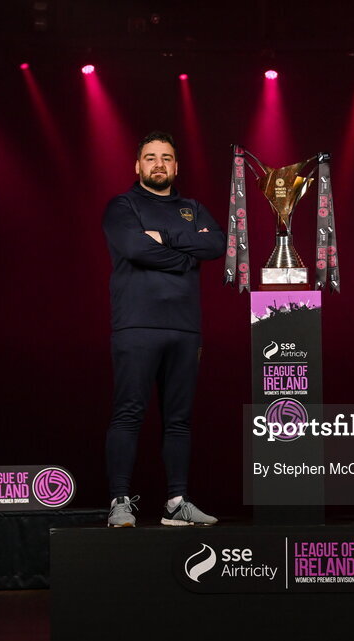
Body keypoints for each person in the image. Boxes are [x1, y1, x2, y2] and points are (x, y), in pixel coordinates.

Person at [102, 131, 225, 527]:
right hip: (137, 324)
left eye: (166, 157)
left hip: (185, 328)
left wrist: (167, 238)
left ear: (176, 166)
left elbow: (217, 245)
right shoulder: (122, 206)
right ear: (137, 165)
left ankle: (177, 501)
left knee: (179, 419)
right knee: (129, 413)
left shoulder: (192, 208)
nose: (159, 164)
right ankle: (119, 501)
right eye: (151, 157)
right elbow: (135, 248)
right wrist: (186, 257)